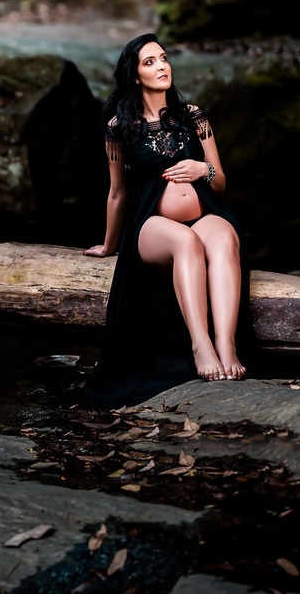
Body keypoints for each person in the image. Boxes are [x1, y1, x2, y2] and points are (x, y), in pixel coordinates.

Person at [81, 33, 250, 406]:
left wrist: (199, 168)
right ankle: (201, 345)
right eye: (150, 62)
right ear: (135, 75)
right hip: (153, 226)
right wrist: (109, 245)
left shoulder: (193, 116)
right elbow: (118, 192)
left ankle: (226, 343)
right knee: (186, 242)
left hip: (204, 213)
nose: (161, 66)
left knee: (225, 239)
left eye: (164, 58)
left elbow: (219, 181)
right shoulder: (118, 128)